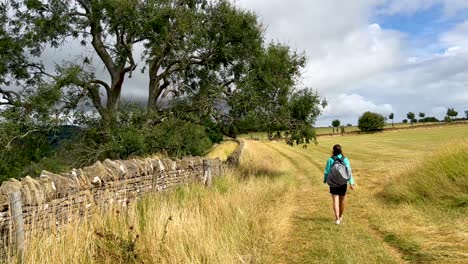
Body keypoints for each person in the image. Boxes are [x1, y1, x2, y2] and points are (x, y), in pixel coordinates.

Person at [323, 144, 355, 225]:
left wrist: (325, 180)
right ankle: (340, 216)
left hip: (333, 183)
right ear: (341, 150)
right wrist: (351, 183)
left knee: (335, 201)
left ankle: (337, 219)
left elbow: (327, 172)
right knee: (342, 200)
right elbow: (349, 172)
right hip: (343, 183)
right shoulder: (345, 160)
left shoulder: (330, 160)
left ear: (333, 150)